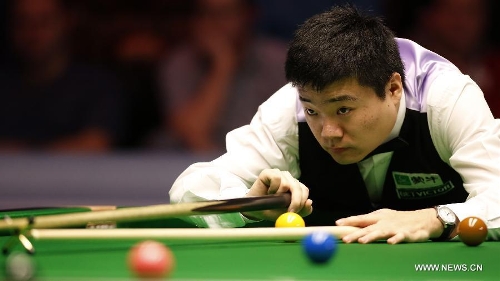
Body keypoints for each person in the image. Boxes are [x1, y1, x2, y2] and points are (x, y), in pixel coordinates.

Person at [169, 5, 500, 243]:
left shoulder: (446, 99)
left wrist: (435, 217)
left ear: (394, 88)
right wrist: (248, 203)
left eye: (343, 110)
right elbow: (189, 190)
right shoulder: (291, 106)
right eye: (314, 112)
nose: (327, 132)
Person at [157, 0, 288, 153]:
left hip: (266, 163)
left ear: (249, 16)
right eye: (205, 14)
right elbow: (191, 133)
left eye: (225, 14)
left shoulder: (280, 61)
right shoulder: (179, 65)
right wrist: (223, 66)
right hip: (195, 166)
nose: (214, 22)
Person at [0, 0, 124, 152]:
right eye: (22, 21)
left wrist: (22, 152)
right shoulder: (5, 86)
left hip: (76, 175)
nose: (33, 32)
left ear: (67, 21)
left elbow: (95, 144)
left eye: (45, 21)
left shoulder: (97, 86)